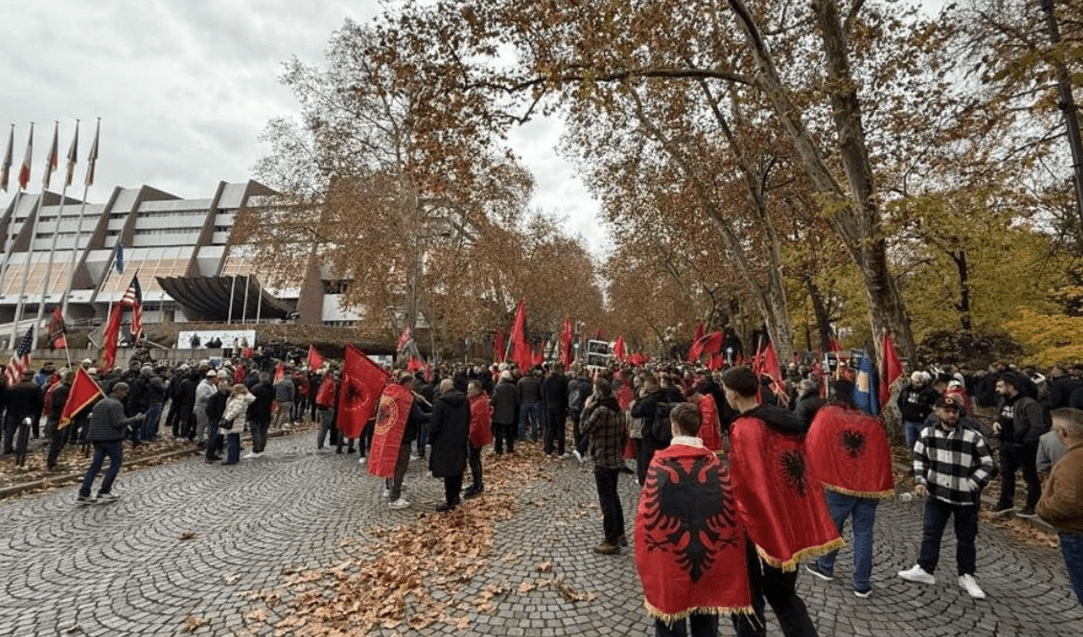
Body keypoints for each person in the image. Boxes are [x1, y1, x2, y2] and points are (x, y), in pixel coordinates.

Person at [721, 365, 841, 637]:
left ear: (733, 394)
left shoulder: (745, 428)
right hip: (790, 521)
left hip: (755, 525)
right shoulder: (785, 420)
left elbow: (747, 484)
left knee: (748, 597)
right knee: (783, 595)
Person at [634, 402, 751, 637]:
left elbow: (646, 516)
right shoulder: (715, 463)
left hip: (671, 555)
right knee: (706, 622)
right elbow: (730, 512)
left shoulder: (659, 464)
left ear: (674, 427)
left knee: (670, 624)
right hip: (709, 555)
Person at [804, 379, 895, 598]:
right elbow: (881, 454)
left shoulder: (827, 415)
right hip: (868, 487)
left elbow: (813, 444)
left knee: (834, 528)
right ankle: (862, 582)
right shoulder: (871, 421)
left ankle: (826, 566)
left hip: (839, 486)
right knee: (864, 534)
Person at [898, 394, 994, 599]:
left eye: (954, 412)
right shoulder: (927, 433)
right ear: (937, 412)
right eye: (947, 411)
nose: (951, 415)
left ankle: (966, 575)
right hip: (937, 493)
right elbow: (919, 458)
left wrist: (972, 483)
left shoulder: (972, 436)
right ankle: (925, 568)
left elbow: (988, 464)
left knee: (966, 538)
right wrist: (920, 481)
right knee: (931, 533)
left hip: (965, 497)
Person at [1036, 407, 1083, 606]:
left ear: (1062, 433)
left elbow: (1067, 502)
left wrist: (1042, 508)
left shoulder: (1072, 462)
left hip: (1076, 535)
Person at [580, 378, 628, 555]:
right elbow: (624, 436)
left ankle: (611, 540)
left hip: (603, 460)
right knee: (614, 497)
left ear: (598, 392)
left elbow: (584, 428)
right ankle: (620, 533)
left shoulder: (601, 411)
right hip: (615, 459)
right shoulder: (618, 409)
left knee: (606, 501)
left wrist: (586, 409)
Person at [77, 382, 144, 503]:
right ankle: (104, 491)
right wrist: (135, 419)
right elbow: (117, 423)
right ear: (119, 390)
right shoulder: (116, 405)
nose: (126, 395)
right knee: (115, 464)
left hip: (97, 439)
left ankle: (84, 493)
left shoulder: (100, 403)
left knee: (95, 466)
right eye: (125, 392)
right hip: (111, 439)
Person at [992, 371, 1047, 517]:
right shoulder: (1004, 400)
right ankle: (1005, 502)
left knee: (1030, 476)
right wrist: (997, 423)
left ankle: (1033, 505)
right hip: (1005, 443)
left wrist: (1024, 442)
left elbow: (1037, 427)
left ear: (1011, 387)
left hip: (1024, 446)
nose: (997, 389)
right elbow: (1000, 415)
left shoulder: (1029, 403)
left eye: (1000, 386)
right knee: (1006, 474)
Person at [428, 379, 471, 512]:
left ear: (443, 389)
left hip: (444, 442)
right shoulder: (464, 400)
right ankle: (456, 497)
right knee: (458, 470)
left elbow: (435, 425)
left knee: (448, 472)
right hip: (459, 440)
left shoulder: (440, 403)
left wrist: (431, 439)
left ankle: (450, 501)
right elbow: (468, 418)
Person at [465, 380, 493, 498]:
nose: (468, 391)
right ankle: (476, 483)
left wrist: (470, 435)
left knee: (474, 460)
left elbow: (476, 422)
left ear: (477, 389)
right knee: (473, 460)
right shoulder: (476, 400)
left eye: (471, 389)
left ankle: (478, 484)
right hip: (475, 435)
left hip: (475, 436)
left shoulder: (479, 402)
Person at [897, 371, 938, 452]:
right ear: (912, 381)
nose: (919, 384)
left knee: (924, 443)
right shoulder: (906, 390)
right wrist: (904, 412)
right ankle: (914, 460)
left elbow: (937, 402)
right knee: (910, 443)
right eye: (916, 382)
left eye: (920, 382)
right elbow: (900, 401)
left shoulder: (928, 391)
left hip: (922, 421)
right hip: (908, 421)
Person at [220, 383, 255, 464]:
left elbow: (236, 410)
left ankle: (231, 458)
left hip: (234, 422)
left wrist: (227, 418)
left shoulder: (239, 399)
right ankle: (235, 457)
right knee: (235, 440)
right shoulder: (241, 398)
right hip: (237, 422)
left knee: (232, 441)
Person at [543, 362, 569, 457]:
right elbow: (565, 395)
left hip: (549, 407)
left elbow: (544, 394)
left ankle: (549, 450)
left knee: (550, 429)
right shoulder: (563, 379)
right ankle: (561, 451)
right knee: (560, 429)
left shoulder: (547, 380)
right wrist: (566, 406)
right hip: (560, 407)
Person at [246, 372, 275, 458]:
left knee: (255, 432)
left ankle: (256, 450)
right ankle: (261, 449)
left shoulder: (255, 388)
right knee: (263, 432)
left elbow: (250, 401)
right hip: (267, 412)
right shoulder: (272, 388)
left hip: (255, 412)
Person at [490, 370, 519, 455]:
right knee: (509, 433)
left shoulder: (497, 388)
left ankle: (498, 450)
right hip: (510, 413)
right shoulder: (513, 388)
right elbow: (517, 401)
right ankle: (510, 448)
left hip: (498, 413)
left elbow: (493, 400)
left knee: (498, 433)